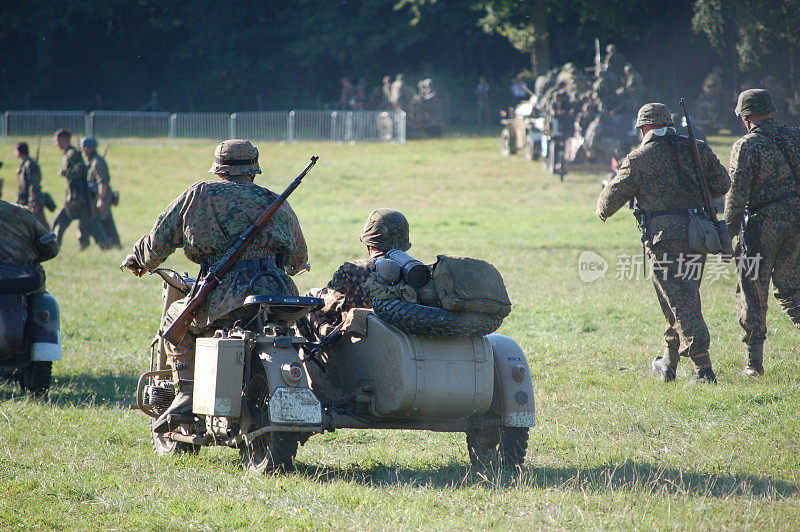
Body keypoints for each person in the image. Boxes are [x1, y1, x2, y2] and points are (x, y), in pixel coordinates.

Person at [121, 139, 308, 433]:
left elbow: (159, 239)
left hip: (224, 295)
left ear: (219, 171)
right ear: (254, 171)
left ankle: (186, 392)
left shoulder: (200, 194)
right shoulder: (275, 201)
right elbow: (298, 259)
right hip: (278, 296)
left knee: (175, 319)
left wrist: (140, 260)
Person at [596, 103, 730, 383]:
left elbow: (606, 206)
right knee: (683, 297)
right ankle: (668, 365)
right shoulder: (697, 148)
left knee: (681, 301)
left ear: (644, 128)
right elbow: (722, 185)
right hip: (698, 235)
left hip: (664, 239)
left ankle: (703, 370)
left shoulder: (639, 158)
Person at [725, 88, 800, 376]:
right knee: (794, 290)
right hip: (796, 221)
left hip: (762, 225)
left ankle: (753, 364)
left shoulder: (747, 145)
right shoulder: (794, 136)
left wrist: (727, 232)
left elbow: (736, 196)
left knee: (753, 293)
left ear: (745, 117)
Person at [307, 208, 411, 337]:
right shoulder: (416, 274)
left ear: (369, 245)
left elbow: (327, 306)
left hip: (357, 346)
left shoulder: (353, 272)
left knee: (310, 301)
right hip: (404, 345)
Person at [51, 129, 108, 250]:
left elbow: (81, 170)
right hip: (75, 197)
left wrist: (65, 172)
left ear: (64, 139)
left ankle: (104, 246)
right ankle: (55, 246)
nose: (56, 144)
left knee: (87, 223)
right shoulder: (69, 153)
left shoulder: (72, 153)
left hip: (78, 198)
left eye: (57, 140)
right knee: (69, 222)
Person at [0, 198, 59, 293]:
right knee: (43, 301)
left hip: (21, 281)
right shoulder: (22, 213)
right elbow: (51, 248)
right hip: (23, 279)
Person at [81, 137, 121, 249]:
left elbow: (103, 182)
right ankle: (115, 245)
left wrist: (101, 199)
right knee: (107, 221)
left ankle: (106, 246)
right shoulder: (92, 161)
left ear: (90, 148)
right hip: (99, 197)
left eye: (84, 148)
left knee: (96, 222)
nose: (83, 150)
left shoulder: (97, 162)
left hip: (101, 197)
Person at [15, 142, 48, 228]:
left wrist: (33, 203)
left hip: (32, 202)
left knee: (42, 228)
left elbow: (33, 185)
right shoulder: (25, 164)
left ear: (18, 152)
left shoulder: (30, 164)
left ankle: (52, 241)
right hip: (24, 201)